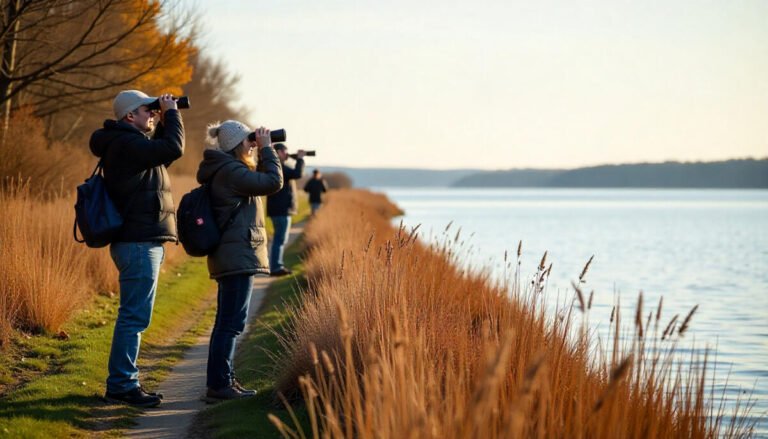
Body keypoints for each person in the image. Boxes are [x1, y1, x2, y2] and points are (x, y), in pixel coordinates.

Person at [90, 90, 184, 408]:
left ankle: (124, 382)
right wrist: (171, 113)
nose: (154, 114)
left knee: (134, 316)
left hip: (138, 242)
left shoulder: (129, 144)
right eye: (149, 110)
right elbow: (174, 147)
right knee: (133, 318)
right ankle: (121, 385)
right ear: (130, 115)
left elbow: (164, 153)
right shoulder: (127, 145)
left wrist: (162, 117)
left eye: (155, 111)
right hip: (138, 243)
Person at [197, 120, 282, 400]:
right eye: (249, 141)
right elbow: (273, 182)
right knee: (231, 323)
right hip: (236, 255)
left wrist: (260, 150)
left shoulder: (227, 170)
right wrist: (268, 149)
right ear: (236, 145)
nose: (253, 144)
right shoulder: (231, 171)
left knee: (227, 321)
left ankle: (221, 382)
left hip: (232, 254)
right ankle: (220, 385)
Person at [266, 144, 305, 276]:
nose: (286, 154)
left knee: (279, 239)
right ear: (278, 152)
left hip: (277, 209)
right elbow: (297, 173)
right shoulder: (280, 167)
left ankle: (276, 265)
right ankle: (276, 267)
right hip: (281, 210)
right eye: (284, 152)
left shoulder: (273, 167)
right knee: (279, 240)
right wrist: (300, 159)